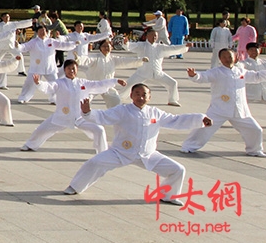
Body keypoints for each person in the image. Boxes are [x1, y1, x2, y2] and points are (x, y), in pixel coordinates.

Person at [63, 84, 212, 205]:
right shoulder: (122, 110)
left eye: (144, 94)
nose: (140, 97)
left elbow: (176, 120)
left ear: (149, 97)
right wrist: (88, 113)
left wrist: (200, 119)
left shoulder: (155, 113)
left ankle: (168, 195)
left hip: (148, 154)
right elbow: (103, 116)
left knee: (178, 169)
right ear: (131, 96)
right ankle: (75, 187)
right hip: (120, 152)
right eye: (137, 94)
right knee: (94, 162)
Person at [20, 60, 125, 153]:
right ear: (65, 70)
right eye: (69, 68)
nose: (71, 71)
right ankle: (30, 145)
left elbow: (98, 84)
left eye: (73, 68)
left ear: (77, 70)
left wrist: (115, 81)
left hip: (81, 117)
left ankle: (102, 152)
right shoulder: (60, 83)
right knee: (42, 129)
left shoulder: (83, 83)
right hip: (62, 116)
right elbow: (49, 86)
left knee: (99, 130)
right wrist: (39, 83)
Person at [180, 49, 266, 157]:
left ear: (235, 58)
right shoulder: (216, 72)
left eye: (229, 56)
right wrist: (194, 75)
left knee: (255, 129)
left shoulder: (241, 72)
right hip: (219, 109)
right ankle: (188, 146)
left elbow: (256, 76)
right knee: (205, 127)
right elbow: (204, 76)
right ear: (220, 59)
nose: (227, 59)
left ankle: (254, 150)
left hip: (239, 110)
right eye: (224, 57)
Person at [118, 30, 190, 107]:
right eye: (152, 35)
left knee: (173, 83)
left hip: (158, 73)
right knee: (129, 84)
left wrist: (184, 46)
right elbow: (130, 46)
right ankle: (119, 97)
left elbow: (172, 48)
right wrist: (126, 43)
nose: (154, 37)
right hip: (143, 72)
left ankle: (172, 100)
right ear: (147, 36)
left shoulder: (160, 47)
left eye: (155, 35)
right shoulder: (141, 46)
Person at [75, 38, 146, 108]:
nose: (106, 48)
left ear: (111, 48)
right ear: (100, 48)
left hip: (107, 86)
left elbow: (125, 61)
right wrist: (79, 60)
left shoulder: (113, 59)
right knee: (83, 101)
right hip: (93, 85)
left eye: (108, 46)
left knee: (116, 101)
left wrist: (140, 60)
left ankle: (114, 118)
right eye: (104, 46)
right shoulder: (95, 58)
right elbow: (87, 60)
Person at [17, 25, 77, 104]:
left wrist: (73, 44)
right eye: (40, 31)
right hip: (36, 68)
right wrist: (18, 46)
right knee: (29, 83)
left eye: (44, 31)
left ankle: (55, 99)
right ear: (37, 33)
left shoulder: (51, 41)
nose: (42, 32)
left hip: (50, 68)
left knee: (56, 84)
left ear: (46, 32)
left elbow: (62, 45)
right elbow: (24, 47)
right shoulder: (33, 42)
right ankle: (23, 97)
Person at [0, 13, 32, 78]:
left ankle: (21, 70)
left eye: (8, 16)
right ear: (2, 18)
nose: (7, 18)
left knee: (19, 56)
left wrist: (31, 21)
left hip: (12, 45)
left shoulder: (13, 24)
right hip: (2, 45)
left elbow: (22, 23)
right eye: (5, 17)